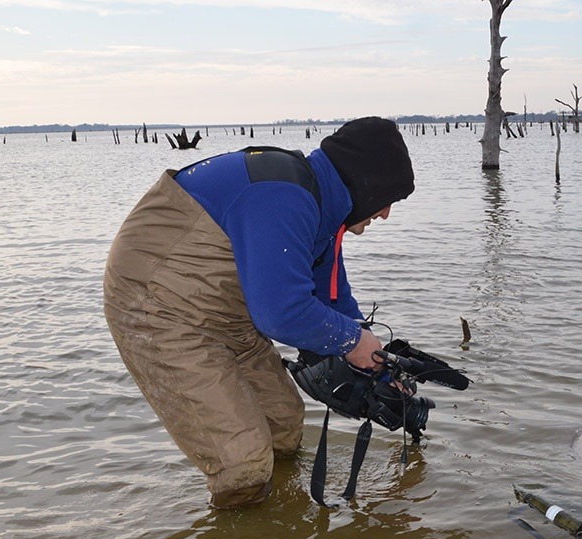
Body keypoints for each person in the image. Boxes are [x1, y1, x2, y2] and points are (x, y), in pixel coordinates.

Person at [104, 117, 414, 508]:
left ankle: (279, 527)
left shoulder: (321, 207)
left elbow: (331, 301)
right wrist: (353, 342)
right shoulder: (285, 195)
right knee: (242, 461)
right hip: (155, 307)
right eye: (387, 198)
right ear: (366, 183)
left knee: (283, 421)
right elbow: (281, 313)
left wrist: (381, 368)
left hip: (226, 312)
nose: (385, 213)